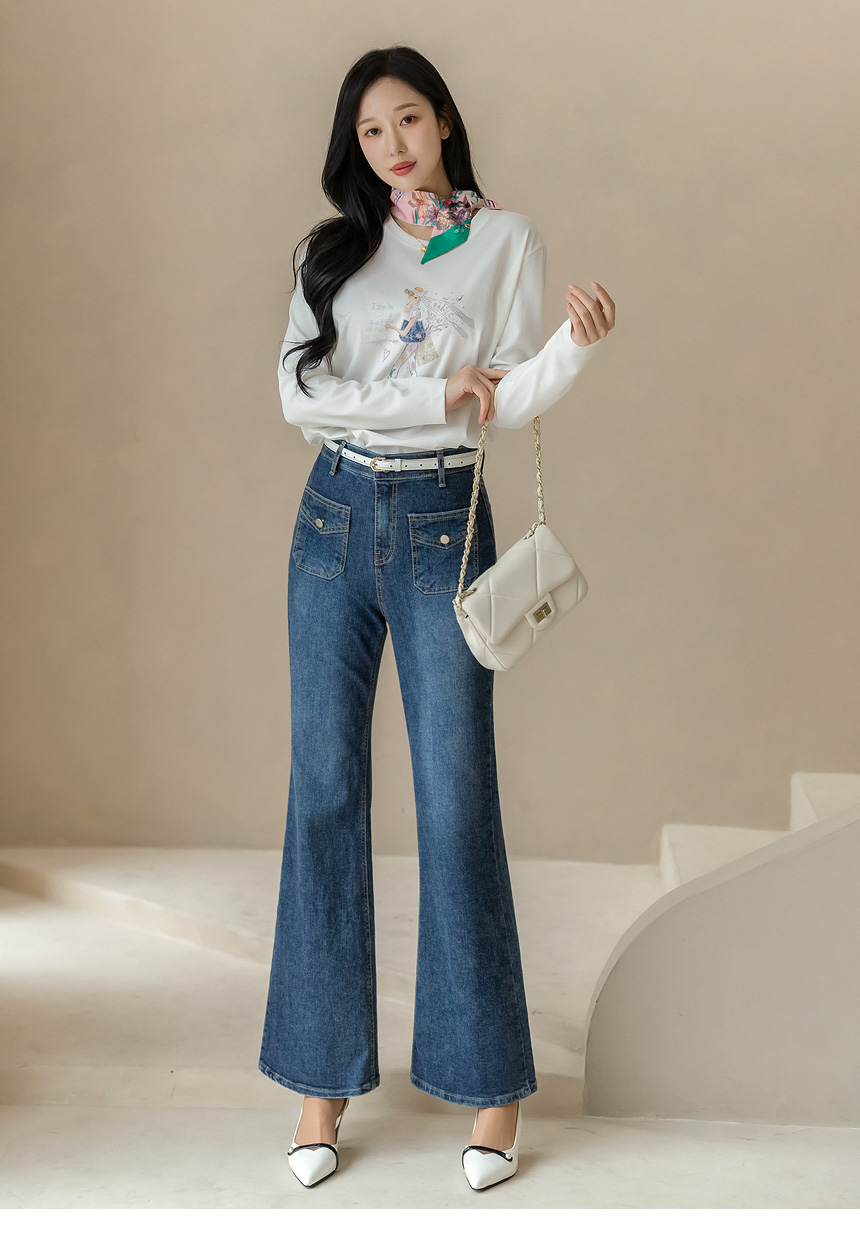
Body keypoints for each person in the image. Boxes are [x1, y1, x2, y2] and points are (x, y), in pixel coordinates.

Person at [258, 44, 615, 1191]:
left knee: (455, 800)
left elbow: (499, 400)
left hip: (440, 523)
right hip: (330, 522)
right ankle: (319, 1087)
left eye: (406, 120)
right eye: (370, 131)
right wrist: (430, 391)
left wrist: (571, 351)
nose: (391, 145)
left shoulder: (502, 241)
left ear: (444, 121)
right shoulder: (333, 252)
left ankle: (489, 1089)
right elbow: (298, 395)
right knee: (323, 791)